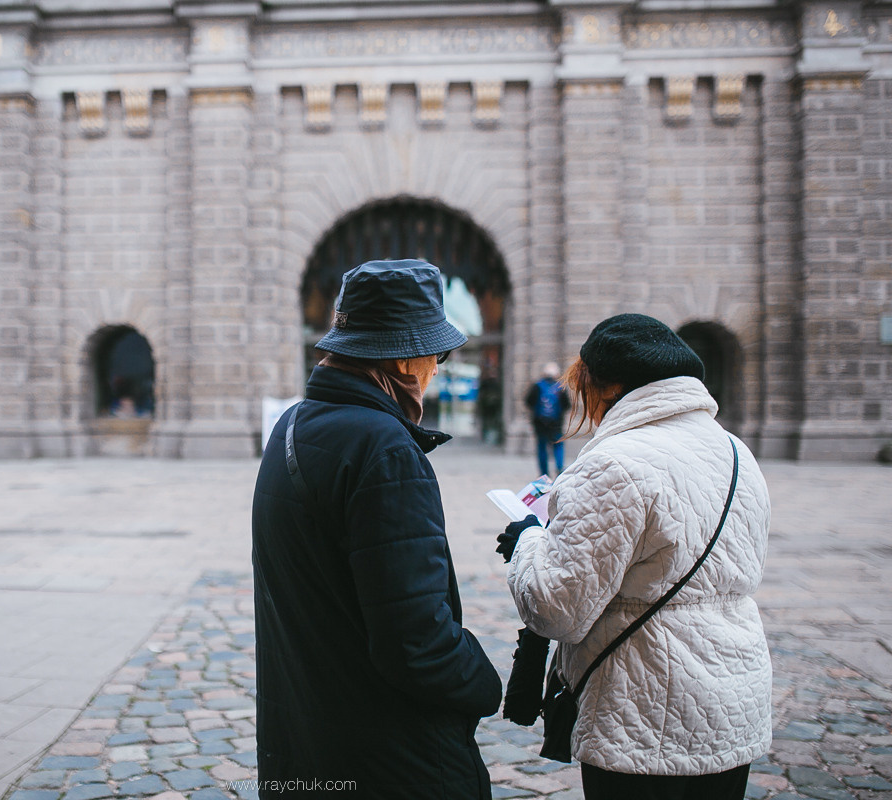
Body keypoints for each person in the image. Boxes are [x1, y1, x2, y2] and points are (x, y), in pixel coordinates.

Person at [252, 259, 503, 799]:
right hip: (393, 760)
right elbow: (417, 643)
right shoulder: (384, 450)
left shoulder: (292, 424)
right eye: (436, 355)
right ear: (406, 358)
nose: (437, 368)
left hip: (313, 740)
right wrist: (484, 683)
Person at [497, 313, 772, 799]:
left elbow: (556, 607)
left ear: (605, 386)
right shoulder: (736, 452)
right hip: (735, 700)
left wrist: (528, 539)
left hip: (642, 706)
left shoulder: (612, 463)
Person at [525, 361, 570, 477]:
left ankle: (544, 473)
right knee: (558, 445)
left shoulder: (537, 386)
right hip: (556, 423)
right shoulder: (560, 387)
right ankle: (559, 468)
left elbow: (529, 402)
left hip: (540, 423)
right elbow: (567, 405)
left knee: (542, 447)